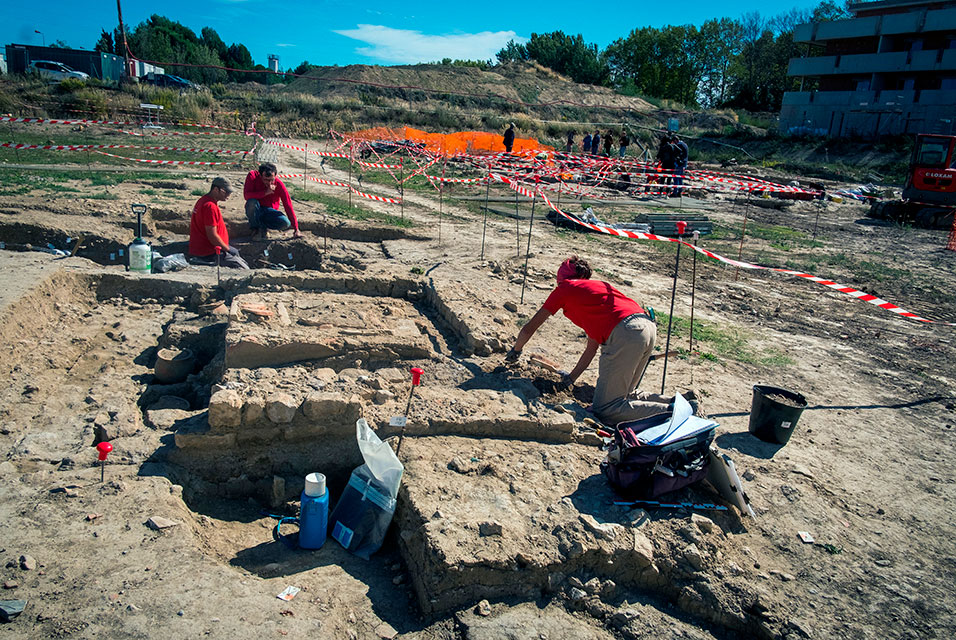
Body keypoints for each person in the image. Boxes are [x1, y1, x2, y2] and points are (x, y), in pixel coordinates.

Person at [505, 255, 679, 426]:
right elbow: (591, 349)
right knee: (625, 394)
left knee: (606, 408)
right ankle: (680, 402)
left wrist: (516, 351)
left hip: (626, 333)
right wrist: (570, 379)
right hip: (646, 327)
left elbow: (530, 327)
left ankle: (675, 413)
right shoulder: (595, 295)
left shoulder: (565, 288)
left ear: (561, 278)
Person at [188, 177, 249, 269]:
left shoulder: (203, 200)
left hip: (207, 249)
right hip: (209, 252)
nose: (229, 195)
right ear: (216, 189)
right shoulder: (210, 207)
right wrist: (228, 249)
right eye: (226, 192)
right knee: (243, 268)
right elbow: (212, 235)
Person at [243, 163, 302, 240]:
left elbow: (288, 205)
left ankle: (263, 227)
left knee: (285, 223)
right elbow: (246, 196)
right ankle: (256, 229)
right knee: (252, 203)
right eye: (266, 180)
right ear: (260, 176)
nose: (269, 183)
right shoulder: (252, 176)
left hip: (269, 211)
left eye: (272, 180)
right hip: (257, 208)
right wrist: (265, 193)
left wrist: (296, 228)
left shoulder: (279, 185)